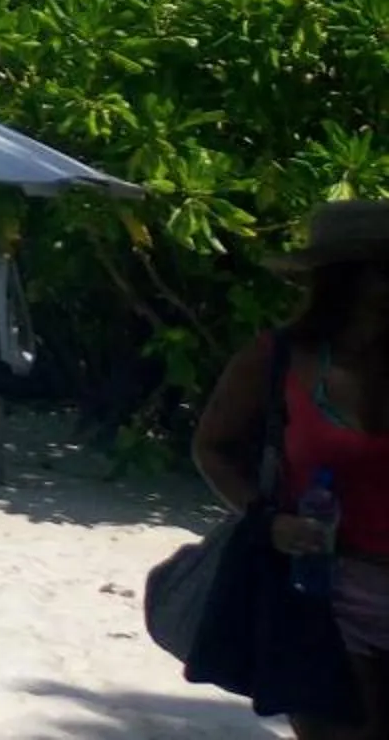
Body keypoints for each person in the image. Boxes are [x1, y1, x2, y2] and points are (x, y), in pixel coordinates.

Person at [194, 201, 389, 738]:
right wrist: (266, 520)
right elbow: (212, 448)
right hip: (320, 591)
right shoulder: (277, 357)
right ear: (344, 278)